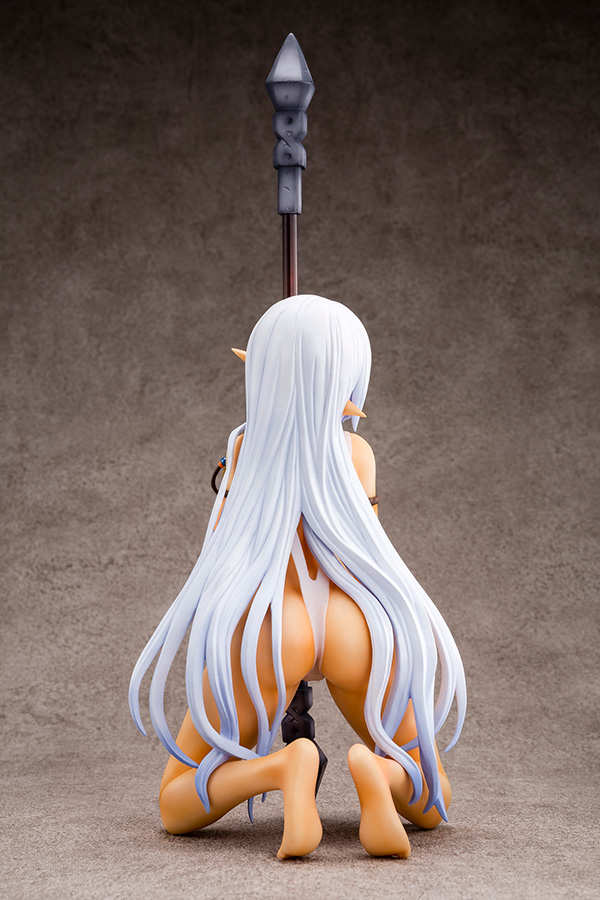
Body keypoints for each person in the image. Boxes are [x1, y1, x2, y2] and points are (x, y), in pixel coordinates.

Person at [129, 294, 466, 859]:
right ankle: (380, 774)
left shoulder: (244, 448)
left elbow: (227, 542)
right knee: (431, 796)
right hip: (352, 626)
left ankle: (284, 767)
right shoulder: (357, 454)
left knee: (176, 802)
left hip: (272, 626)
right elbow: (365, 553)